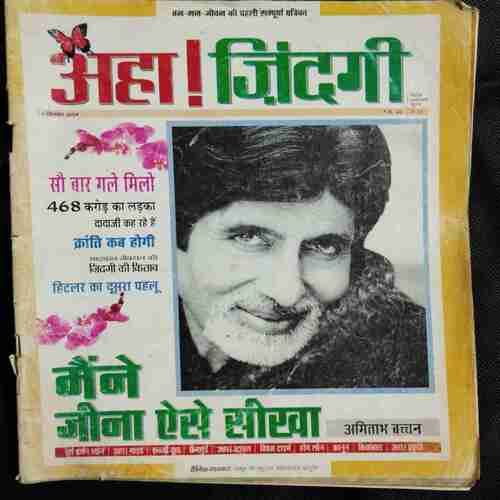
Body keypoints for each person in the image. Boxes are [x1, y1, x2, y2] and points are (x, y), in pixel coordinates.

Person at [172, 125, 428, 390]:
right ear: (178, 235)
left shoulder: (412, 357)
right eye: (249, 237)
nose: (287, 294)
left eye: (325, 247)